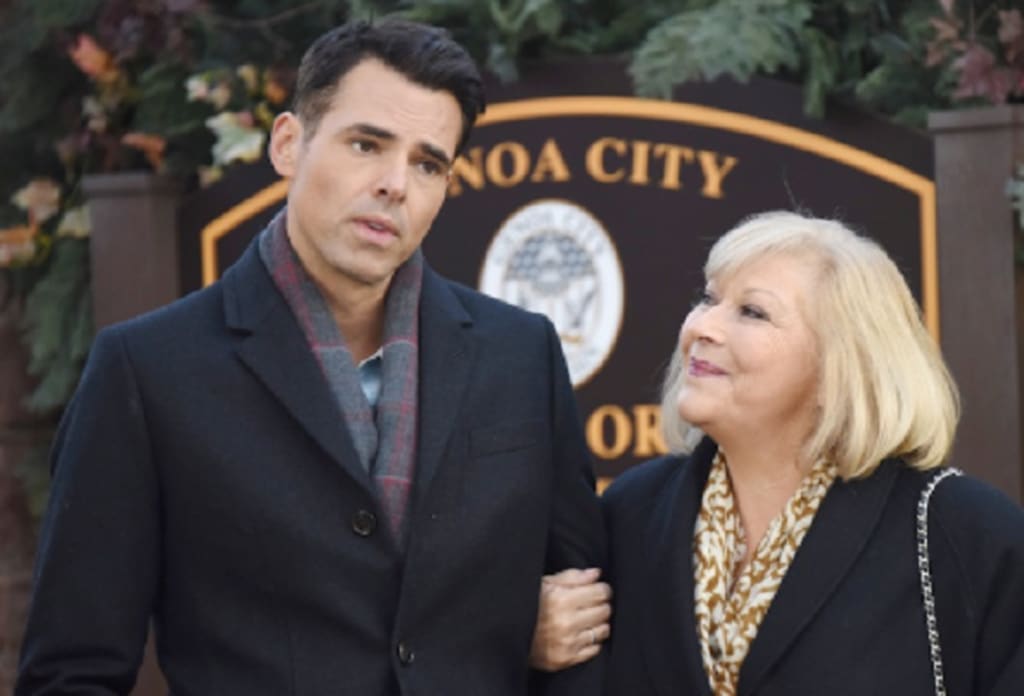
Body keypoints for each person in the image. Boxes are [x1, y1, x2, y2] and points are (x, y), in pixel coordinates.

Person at [16, 18, 605, 696]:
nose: (395, 184)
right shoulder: (147, 372)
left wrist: (505, 632)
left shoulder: (520, 355)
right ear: (288, 144)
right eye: (366, 144)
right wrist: (508, 627)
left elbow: (584, 620)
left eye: (427, 163)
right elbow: (71, 672)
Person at [533, 211, 1024, 694]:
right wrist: (528, 642)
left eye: (752, 312)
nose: (703, 327)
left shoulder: (963, 532)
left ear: (841, 367)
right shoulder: (632, 511)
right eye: (708, 299)